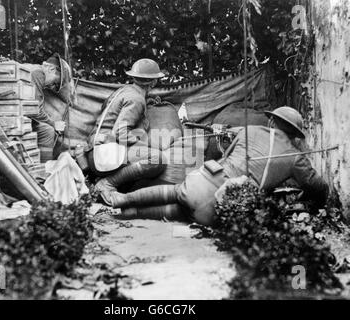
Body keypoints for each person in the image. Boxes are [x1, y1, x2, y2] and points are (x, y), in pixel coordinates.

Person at [110, 106, 329, 226]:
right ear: (295, 135)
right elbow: (318, 187)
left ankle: (124, 201)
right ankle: (131, 213)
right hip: (222, 204)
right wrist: (315, 207)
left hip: (203, 180)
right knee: (182, 213)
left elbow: (228, 154)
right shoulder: (297, 158)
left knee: (176, 191)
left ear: (272, 122)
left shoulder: (250, 131)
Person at [87, 58, 167, 205]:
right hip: (104, 154)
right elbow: (121, 133)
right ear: (153, 82)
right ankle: (107, 184)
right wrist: (144, 141)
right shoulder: (136, 99)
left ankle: (102, 181)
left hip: (95, 150)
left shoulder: (123, 91)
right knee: (157, 159)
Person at [30, 54, 72, 162]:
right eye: (55, 83)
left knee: (47, 129)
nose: (52, 87)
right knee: (47, 130)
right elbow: (35, 110)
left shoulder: (36, 71)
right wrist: (53, 124)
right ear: (51, 69)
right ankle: (45, 171)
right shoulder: (38, 74)